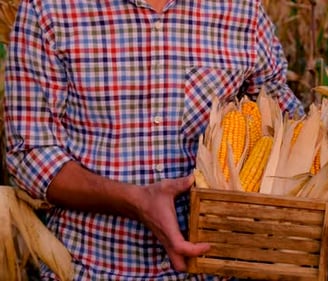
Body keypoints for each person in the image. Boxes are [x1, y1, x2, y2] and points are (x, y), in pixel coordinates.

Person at [3, 0, 304, 280]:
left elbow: (283, 116)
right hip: (90, 266)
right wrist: (134, 201)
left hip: (216, 269)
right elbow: (30, 153)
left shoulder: (243, 11)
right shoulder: (48, 10)